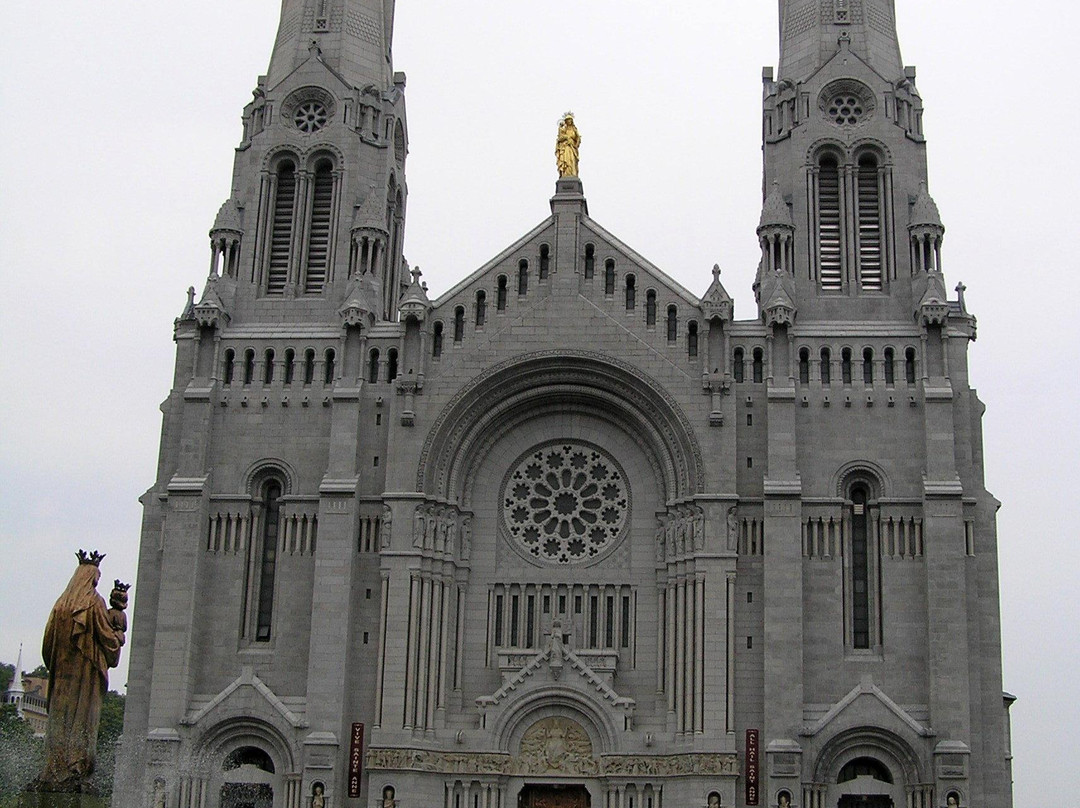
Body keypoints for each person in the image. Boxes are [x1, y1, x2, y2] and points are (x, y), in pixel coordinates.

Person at [34, 551, 126, 791]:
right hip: (86, 676)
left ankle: (54, 768)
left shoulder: (60, 604)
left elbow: (47, 644)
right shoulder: (93, 602)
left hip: (61, 676)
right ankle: (75, 767)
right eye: (96, 578)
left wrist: (58, 662)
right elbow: (108, 640)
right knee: (83, 718)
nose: (96, 582)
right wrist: (117, 638)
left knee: (58, 718)